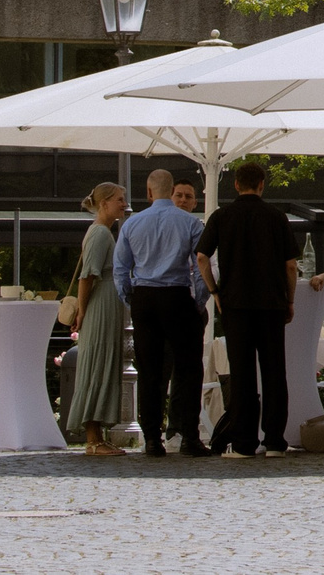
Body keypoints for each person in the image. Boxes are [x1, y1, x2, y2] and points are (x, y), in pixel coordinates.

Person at [198, 158, 299, 458]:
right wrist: (290, 300)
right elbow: (291, 265)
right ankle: (275, 441)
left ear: (236, 184)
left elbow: (202, 257)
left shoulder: (221, 216)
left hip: (235, 304)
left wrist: (214, 291)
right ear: (262, 185)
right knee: (274, 371)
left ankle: (243, 442)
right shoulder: (276, 216)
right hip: (270, 304)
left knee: (241, 373)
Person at [113, 167, 210, 458]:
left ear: (148, 191)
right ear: (171, 192)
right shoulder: (190, 223)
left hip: (144, 296)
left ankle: (152, 438)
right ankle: (190, 437)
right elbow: (201, 265)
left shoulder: (132, 224)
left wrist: (131, 298)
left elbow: (121, 270)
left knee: (150, 371)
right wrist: (198, 302)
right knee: (190, 369)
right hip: (177, 295)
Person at [62, 182, 128, 455]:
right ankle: (92, 438)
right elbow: (87, 276)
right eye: (119, 200)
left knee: (103, 363)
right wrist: (83, 312)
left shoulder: (104, 233)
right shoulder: (100, 233)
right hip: (100, 305)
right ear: (104, 204)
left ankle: (97, 435)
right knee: (97, 364)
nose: (124, 204)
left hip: (105, 304)